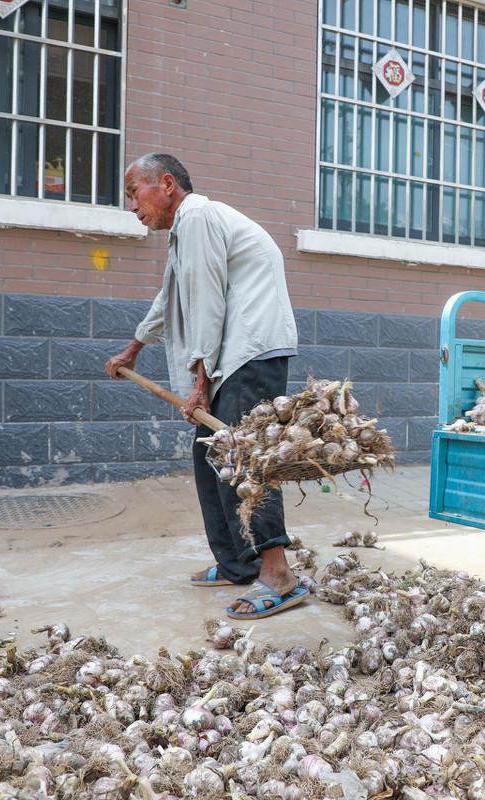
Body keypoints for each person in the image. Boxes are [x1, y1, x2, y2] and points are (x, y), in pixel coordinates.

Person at [104, 153, 305, 620]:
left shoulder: (197, 218)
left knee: (245, 461)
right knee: (209, 459)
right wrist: (134, 348)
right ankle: (237, 563)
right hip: (231, 356)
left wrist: (201, 381)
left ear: (167, 184)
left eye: (135, 193)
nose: (132, 207)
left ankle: (278, 574)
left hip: (251, 352)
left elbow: (207, 304)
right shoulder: (185, 233)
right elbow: (171, 295)